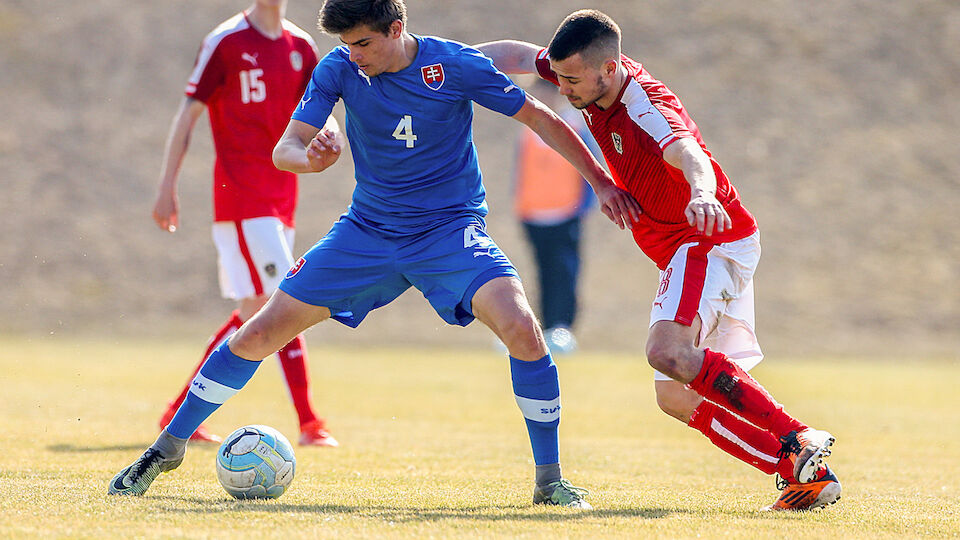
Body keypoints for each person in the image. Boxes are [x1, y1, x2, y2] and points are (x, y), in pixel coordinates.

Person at [108, 0, 641, 507]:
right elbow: (285, 148)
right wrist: (310, 161)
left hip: (449, 233)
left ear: (394, 28)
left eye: (361, 42)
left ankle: (549, 480)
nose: (352, 53)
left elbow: (540, 119)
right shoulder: (338, 68)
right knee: (259, 332)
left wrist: (601, 182)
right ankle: (166, 450)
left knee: (523, 327)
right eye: (344, 43)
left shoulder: (452, 65)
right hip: (366, 233)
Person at [476, 10, 842, 511]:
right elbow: (518, 54)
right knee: (674, 396)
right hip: (688, 249)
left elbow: (687, 150)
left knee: (666, 351)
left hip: (707, 239)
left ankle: (796, 436)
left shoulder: (644, 104)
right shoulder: (582, 73)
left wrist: (703, 193)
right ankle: (805, 475)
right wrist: (442, 59)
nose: (562, 87)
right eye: (558, 75)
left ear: (609, 69)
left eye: (572, 80)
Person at [150, 0, 338, 447]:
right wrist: (166, 186)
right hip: (241, 198)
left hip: (282, 197)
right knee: (287, 300)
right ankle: (310, 423)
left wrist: (331, 130)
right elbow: (187, 114)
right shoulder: (225, 42)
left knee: (251, 313)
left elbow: (317, 108)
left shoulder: (301, 46)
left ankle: (180, 411)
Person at [512, 79, 598, 354]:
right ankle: (545, 328)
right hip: (533, 216)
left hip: (565, 215)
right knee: (543, 274)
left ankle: (562, 328)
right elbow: (521, 172)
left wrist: (583, 208)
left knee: (565, 273)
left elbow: (591, 170)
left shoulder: (574, 127)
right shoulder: (527, 131)